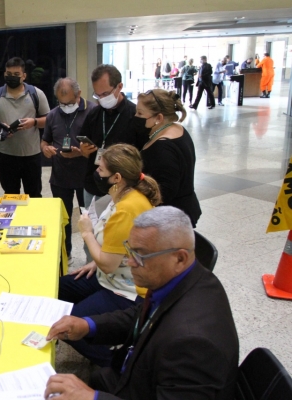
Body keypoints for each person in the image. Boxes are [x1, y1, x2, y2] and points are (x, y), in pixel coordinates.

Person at [45, 207, 239, 400]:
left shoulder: (193, 343)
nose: (129, 262)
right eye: (129, 250)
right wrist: (89, 325)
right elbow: (142, 314)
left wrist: (94, 398)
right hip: (134, 373)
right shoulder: (179, 279)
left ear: (180, 258)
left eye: (140, 255)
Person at [58, 144, 161, 366]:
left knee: (70, 326)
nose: (96, 173)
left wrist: (86, 233)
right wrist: (95, 262)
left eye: (101, 170)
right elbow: (116, 247)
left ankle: (117, 367)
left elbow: (108, 264)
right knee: (56, 288)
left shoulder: (127, 208)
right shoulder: (123, 194)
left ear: (116, 177)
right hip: (110, 275)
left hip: (129, 290)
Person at [78, 64, 150, 206]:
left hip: (122, 189)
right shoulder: (94, 114)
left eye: (105, 94)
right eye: (97, 95)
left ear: (119, 87)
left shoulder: (135, 115)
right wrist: (83, 149)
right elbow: (83, 139)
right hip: (93, 183)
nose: (101, 99)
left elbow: (143, 156)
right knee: (91, 226)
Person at [41, 78, 95, 259]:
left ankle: (92, 258)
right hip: (60, 176)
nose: (65, 106)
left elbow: (99, 146)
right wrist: (45, 149)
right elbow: (45, 140)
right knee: (62, 219)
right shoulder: (53, 115)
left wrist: (79, 153)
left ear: (79, 94)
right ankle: (65, 255)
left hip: (86, 177)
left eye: (70, 103)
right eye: (61, 103)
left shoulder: (93, 111)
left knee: (88, 218)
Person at [136, 89, 202, 227]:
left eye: (140, 113)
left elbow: (165, 190)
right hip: (182, 209)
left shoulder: (162, 147)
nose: (136, 116)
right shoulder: (177, 129)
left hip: (171, 219)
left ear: (158, 118)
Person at [0, 57, 51, 197]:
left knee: (34, 194)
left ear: (24, 76)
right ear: (4, 74)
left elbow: (49, 120)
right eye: (9, 74)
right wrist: (0, 129)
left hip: (31, 155)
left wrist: (33, 122)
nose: (12, 78)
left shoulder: (36, 94)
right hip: (6, 156)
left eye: (16, 75)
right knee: (10, 195)